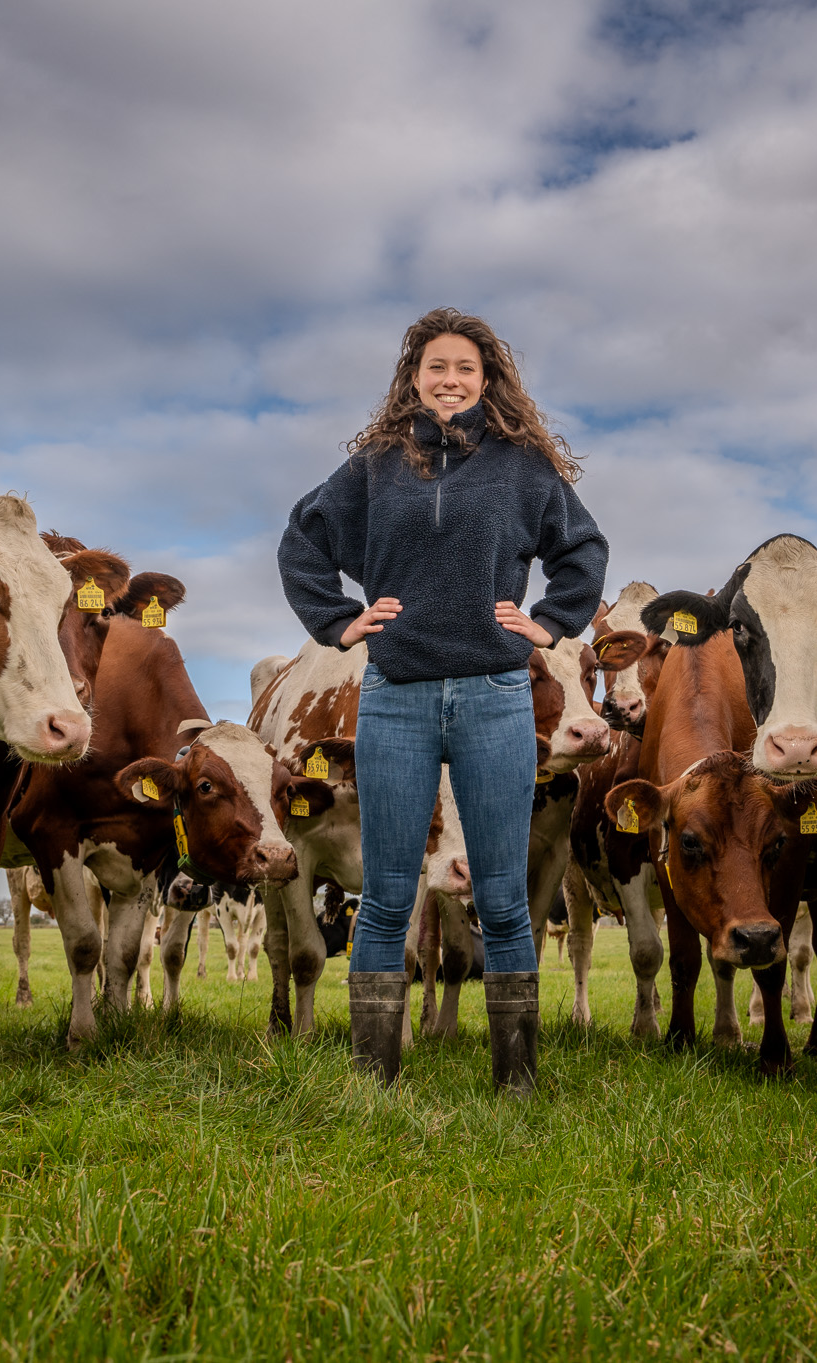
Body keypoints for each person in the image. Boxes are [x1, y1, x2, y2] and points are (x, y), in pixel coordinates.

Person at [278, 307, 608, 1093]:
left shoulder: (523, 468)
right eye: (437, 367)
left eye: (465, 368)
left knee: (503, 897)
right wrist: (339, 620)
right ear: (414, 378)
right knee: (388, 895)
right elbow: (303, 541)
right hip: (396, 695)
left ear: (486, 379)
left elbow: (582, 549)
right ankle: (373, 1079)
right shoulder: (375, 468)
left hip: (496, 695)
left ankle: (516, 1081)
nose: (450, 380)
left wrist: (549, 623)